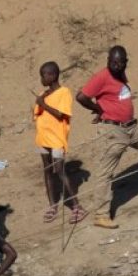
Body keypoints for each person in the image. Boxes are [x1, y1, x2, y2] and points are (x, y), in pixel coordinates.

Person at [76, 46, 138, 229]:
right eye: (113, 62)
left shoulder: (120, 75)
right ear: (108, 60)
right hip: (113, 131)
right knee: (106, 171)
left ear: (126, 62)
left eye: (120, 62)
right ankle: (101, 215)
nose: (116, 65)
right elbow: (81, 97)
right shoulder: (102, 76)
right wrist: (98, 110)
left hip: (130, 128)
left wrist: (110, 107)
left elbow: (115, 98)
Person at [33, 61, 86, 224]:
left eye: (44, 75)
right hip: (43, 138)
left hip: (56, 139)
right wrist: (40, 102)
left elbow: (60, 115)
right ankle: (52, 206)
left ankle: (77, 207)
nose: (42, 78)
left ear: (53, 75)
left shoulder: (64, 92)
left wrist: (43, 104)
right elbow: (36, 115)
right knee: (47, 171)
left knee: (59, 170)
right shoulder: (44, 94)